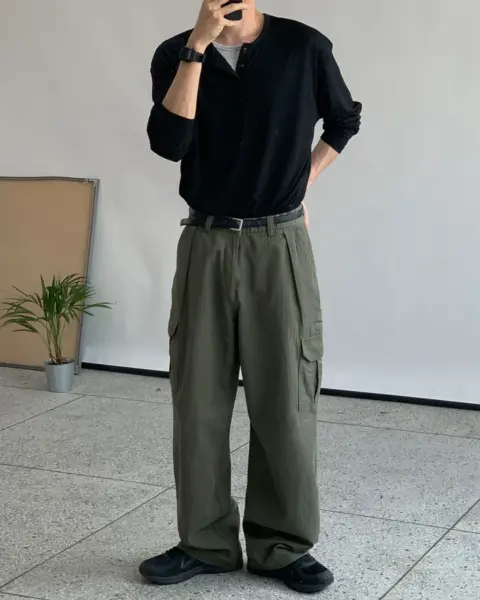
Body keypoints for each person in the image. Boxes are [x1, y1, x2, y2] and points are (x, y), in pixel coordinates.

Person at [140, 0, 361, 594]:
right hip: (205, 241)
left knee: (286, 397)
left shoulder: (304, 47)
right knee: (198, 401)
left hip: (279, 243)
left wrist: (301, 180)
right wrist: (197, 47)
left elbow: (344, 120)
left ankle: (282, 545)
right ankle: (205, 543)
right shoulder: (175, 52)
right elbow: (170, 143)